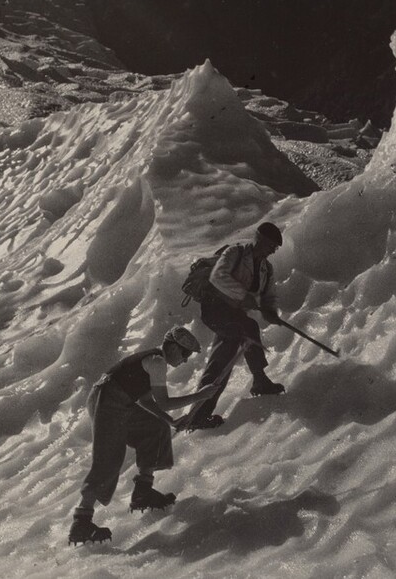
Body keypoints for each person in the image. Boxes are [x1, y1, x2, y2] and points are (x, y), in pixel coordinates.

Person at [68, 326, 216, 545]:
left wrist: (169, 421)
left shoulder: (154, 360)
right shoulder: (157, 362)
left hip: (116, 402)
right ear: (173, 348)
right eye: (185, 353)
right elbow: (163, 401)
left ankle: (142, 492)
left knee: (156, 428)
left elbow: (146, 401)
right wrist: (200, 396)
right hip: (107, 402)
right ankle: (81, 521)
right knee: (109, 459)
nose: (185, 360)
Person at [183, 222, 285, 431]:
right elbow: (217, 277)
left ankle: (199, 414)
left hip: (234, 315)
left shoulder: (266, 268)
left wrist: (271, 312)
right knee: (245, 331)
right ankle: (259, 380)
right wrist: (243, 295)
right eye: (271, 246)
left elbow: (269, 295)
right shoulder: (235, 253)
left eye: (275, 248)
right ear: (259, 240)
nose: (273, 251)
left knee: (224, 355)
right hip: (214, 310)